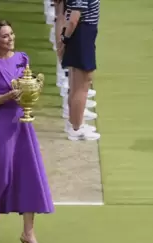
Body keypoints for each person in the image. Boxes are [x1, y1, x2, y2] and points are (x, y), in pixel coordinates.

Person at [0, 20, 54, 243]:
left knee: (28, 175)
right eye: (5, 36)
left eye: (11, 34)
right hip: (3, 126)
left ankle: (28, 233)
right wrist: (5, 97)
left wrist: (31, 96)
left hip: (24, 124)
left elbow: (28, 88)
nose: (10, 39)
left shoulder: (22, 59)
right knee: (0, 176)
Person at [57, 0, 101, 141]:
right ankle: (77, 127)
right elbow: (74, 18)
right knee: (82, 83)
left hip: (82, 33)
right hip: (81, 33)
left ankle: (74, 123)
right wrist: (65, 39)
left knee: (77, 82)